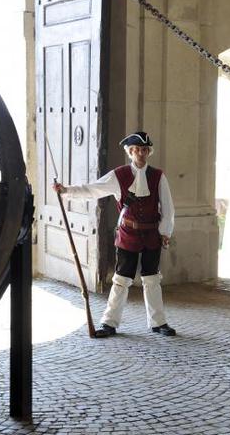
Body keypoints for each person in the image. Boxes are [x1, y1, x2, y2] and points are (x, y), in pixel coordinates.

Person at [53, 131, 176, 338]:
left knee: (152, 278)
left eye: (144, 150)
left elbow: (168, 207)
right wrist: (66, 191)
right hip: (128, 234)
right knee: (121, 279)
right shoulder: (119, 175)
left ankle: (158, 322)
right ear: (130, 152)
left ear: (148, 152)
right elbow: (93, 189)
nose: (140, 154)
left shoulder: (158, 176)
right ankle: (109, 323)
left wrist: (165, 232)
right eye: (136, 150)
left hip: (152, 235)